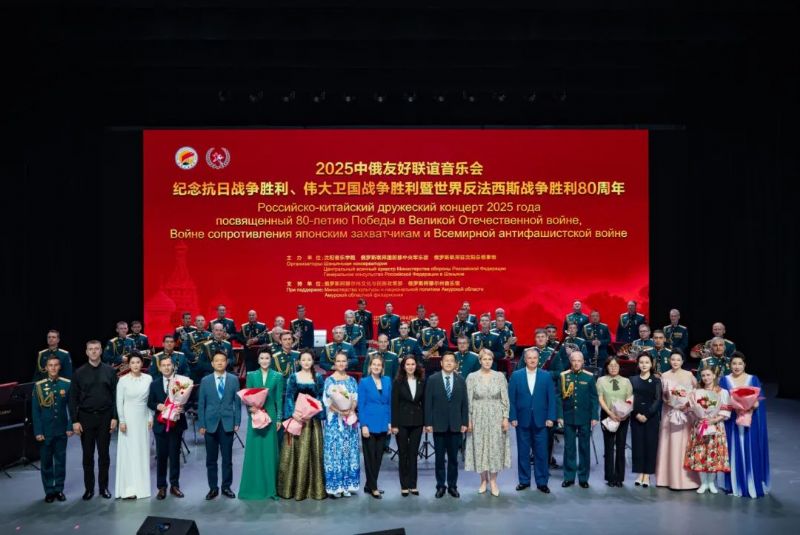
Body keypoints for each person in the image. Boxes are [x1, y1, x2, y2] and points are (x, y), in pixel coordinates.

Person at [68, 340, 118, 500]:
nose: (94, 351)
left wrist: (115, 417)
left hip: (105, 417)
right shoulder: (79, 373)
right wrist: (74, 421)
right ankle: (89, 489)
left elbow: (116, 396)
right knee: (87, 455)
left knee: (104, 455)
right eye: (91, 349)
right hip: (86, 418)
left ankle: (103, 488)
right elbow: (72, 399)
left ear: (101, 351)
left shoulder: (110, 371)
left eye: (97, 349)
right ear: (86, 352)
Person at [277, 350, 326, 500]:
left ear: (313, 361)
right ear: (299, 361)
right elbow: (289, 396)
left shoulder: (318, 377)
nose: (306, 362)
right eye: (303, 360)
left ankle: (313, 488)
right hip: (297, 419)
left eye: (309, 359)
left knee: (313, 452)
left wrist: (313, 410)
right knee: (295, 452)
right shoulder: (293, 377)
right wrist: (293, 413)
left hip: (312, 421)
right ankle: (292, 488)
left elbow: (321, 396)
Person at [720, 352, 770, 498]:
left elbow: (758, 400)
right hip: (732, 422)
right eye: (734, 364)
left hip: (750, 422)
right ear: (730, 365)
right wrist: (735, 407)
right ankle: (735, 485)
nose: (737, 366)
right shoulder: (724, 380)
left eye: (740, 364)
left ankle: (751, 483)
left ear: (744, 365)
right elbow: (722, 401)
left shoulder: (753, 379)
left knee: (751, 449)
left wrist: (750, 406)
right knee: (733, 451)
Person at [509, 347, 556, 494]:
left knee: (541, 453)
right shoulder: (516, 376)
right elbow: (511, 399)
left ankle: (542, 482)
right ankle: (524, 481)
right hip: (522, 420)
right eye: (529, 358)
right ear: (525, 359)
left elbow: (551, 398)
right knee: (523, 452)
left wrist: (551, 417)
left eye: (535, 358)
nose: (532, 360)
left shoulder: (546, 376)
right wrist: (513, 417)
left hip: (541, 421)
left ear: (538, 359)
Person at [465, 349, 511, 496]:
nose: (487, 362)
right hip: (478, 416)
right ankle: (483, 480)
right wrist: (469, 420)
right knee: (480, 448)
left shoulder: (499, 377)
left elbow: (505, 399)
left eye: (489, 359)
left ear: (493, 361)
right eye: (484, 359)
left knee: (495, 448)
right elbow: (468, 400)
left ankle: (493, 481)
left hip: (496, 416)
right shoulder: (472, 377)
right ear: (480, 361)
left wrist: (505, 417)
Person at [239, 351, 283, 500]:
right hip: (255, 415)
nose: (264, 360)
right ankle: (254, 486)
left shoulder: (278, 376)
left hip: (270, 416)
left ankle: (271, 488)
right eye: (262, 358)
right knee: (255, 451)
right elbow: (247, 396)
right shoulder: (251, 375)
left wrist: (279, 419)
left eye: (267, 358)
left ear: (271, 360)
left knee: (270, 452)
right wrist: (250, 409)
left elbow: (279, 400)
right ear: (258, 360)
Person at [424, 352, 469, 498]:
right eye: (446, 360)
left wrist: (464, 422)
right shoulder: (433, 379)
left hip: (456, 425)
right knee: (439, 459)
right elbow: (428, 403)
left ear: (455, 364)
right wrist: (428, 423)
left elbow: (464, 403)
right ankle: (440, 486)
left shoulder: (461, 380)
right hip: (438, 425)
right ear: (441, 363)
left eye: (451, 361)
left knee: (453, 459)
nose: (449, 363)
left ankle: (452, 486)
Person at [198, 352, 241, 500]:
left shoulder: (234, 379)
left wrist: (237, 421)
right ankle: (213, 488)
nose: (220, 363)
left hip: (228, 423)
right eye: (217, 361)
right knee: (211, 459)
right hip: (210, 424)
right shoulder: (205, 381)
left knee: (227, 459)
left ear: (226, 362)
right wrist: (202, 424)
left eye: (222, 360)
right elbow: (201, 404)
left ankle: (226, 487)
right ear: (212, 363)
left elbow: (237, 403)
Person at [655, 349, 700, 490]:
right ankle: (666, 479)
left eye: (678, 360)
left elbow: (696, 393)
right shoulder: (664, 375)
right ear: (669, 360)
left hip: (685, 414)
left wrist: (686, 405)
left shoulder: (689, 375)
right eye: (673, 359)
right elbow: (662, 395)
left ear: (682, 361)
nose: (675, 362)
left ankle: (687, 480)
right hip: (669, 412)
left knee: (684, 444)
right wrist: (668, 401)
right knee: (668, 443)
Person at [32, 355, 73, 502]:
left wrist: (70, 426)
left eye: (56, 365)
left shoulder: (66, 384)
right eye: (50, 365)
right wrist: (38, 431)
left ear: (60, 367)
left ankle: (59, 489)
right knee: (46, 462)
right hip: (45, 431)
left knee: (60, 461)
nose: (53, 368)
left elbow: (72, 408)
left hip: (61, 430)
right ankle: (49, 491)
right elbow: (35, 411)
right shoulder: (38, 386)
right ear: (46, 368)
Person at [685, 366, 731, 494]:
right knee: (700, 453)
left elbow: (726, 410)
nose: (706, 378)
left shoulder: (722, 392)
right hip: (700, 425)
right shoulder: (696, 392)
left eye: (708, 375)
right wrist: (699, 416)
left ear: (714, 376)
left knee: (713, 453)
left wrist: (714, 420)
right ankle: (703, 483)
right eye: (703, 375)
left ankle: (711, 482)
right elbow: (691, 409)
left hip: (716, 426)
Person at [557, 351, 599, 488]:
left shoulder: (589, 377)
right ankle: (569, 477)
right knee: (569, 447)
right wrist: (560, 416)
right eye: (574, 360)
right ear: (570, 361)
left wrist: (594, 416)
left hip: (584, 417)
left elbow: (594, 398)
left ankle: (583, 478)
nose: (576, 363)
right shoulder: (564, 376)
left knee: (584, 447)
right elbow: (559, 397)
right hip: (568, 416)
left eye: (579, 361)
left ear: (583, 362)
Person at [114, 352, 153, 499]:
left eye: (138, 362)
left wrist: (150, 417)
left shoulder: (148, 379)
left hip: (143, 418)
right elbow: (119, 402)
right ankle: (129, 489)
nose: (135, 365)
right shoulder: (123, 380)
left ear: (142, 363)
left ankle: (142, 488)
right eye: (132, 363)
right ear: (128, 364)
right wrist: (122, 421)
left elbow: (150, 401)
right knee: (128, 453)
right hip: (128, 419)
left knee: (142, 451)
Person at [147, 357, 186, 500]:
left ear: (173, 366)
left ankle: (174, 486)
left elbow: (187, 400)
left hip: (176, 424)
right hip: (160, 425)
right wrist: (157, 405)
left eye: (169, 365)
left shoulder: (181, 382)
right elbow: (150, 402)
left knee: (175, 456)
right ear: (159, 368)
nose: (166, 367)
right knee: (161, 457)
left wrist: (182, 408)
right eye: (163, 365)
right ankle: (161, 487)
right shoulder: (154, 384)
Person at [323, 352, 361, 497]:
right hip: (334, 422)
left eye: (343, 361)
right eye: (338, 361)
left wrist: (350, 409)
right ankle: (335, 486)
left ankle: (347, 486)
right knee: (335, 452)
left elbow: (355, 398)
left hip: (349, 422)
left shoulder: (352, 380)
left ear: (347, 363)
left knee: (348, 451)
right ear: (334, 363)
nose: (341, 364)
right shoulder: (329, 381)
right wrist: (340, 411)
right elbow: (327, 401)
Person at [358, 356, 392, 499]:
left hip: (383, 423)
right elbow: (361, 405)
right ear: (370, 366)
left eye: (379, 365)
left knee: (378, 457)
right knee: (370, 457)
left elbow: (389, 403)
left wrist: (389, 422)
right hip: (369, 424)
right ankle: (374, 487)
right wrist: (363, 425)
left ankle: (369, 485)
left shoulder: (387, 380)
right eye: (374, 364)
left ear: (382, 367)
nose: (377, 367)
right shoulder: (364, 382)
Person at [391, 355, 425, 497]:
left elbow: (424, 402)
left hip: (417, 422)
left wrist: (425, 423)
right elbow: (394, 404)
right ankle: (404, 485)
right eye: (408, 364)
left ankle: (413, 484)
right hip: (402, 422)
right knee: (403, 453)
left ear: (416, 366)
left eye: (413, 364)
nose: (410, 367)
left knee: (413, 454)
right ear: (403, 367)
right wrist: (394, 425)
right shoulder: (398, 382)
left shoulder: (421, 381)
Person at [596, 357, 633, 487]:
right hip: (607, 415)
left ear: (619, 367)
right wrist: (610, 413)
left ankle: (619, 477)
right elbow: (600, 398)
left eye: (616, 365)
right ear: (607, 367)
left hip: (623, 416)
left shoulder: (626, 381)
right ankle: (610, 477)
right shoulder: (601, 380)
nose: (613, 368)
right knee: (609, 446)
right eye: (611, 365)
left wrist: (624, 413)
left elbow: (629, 399)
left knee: (621, 446)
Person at [630, 353, 662, 488]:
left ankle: (647, 474)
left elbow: (658, 399)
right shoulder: (632, 379)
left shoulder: (656, 381)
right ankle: (639, 473)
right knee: (638, 445)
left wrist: (647, 415)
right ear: (638, 364)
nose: (644, 365)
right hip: (635, 416)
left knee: (650, 445)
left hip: (651, 418)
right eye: (641, 362)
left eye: (647, 362)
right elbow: (629, 398)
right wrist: (637, 413)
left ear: (651, 364)